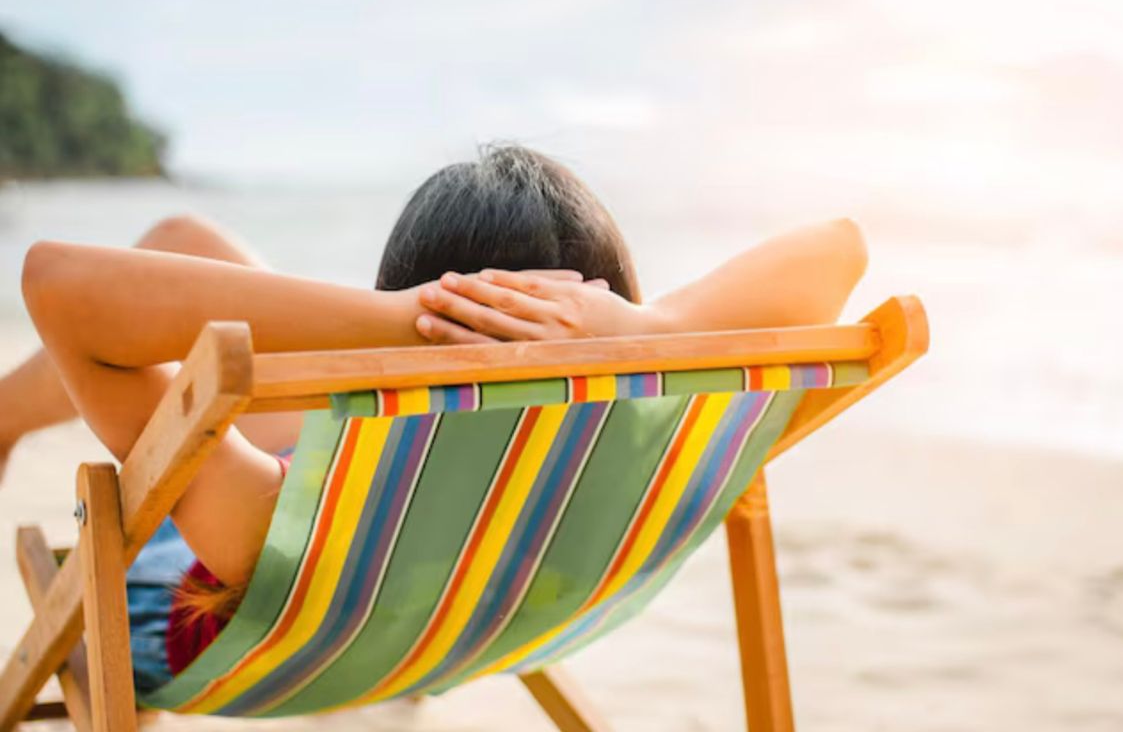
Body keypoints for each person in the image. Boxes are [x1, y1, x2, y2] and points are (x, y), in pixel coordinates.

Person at [3, 145, 868, 691]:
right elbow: (842, 247)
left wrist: (410, 322)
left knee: (182, 255)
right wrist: (650, 334)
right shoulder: (641, 434)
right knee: (189, 240)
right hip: (497, 585)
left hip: (310, 605)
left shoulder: (271, 530)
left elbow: (54, 285)